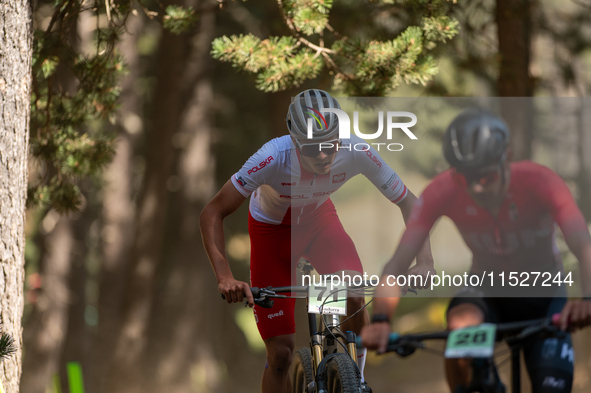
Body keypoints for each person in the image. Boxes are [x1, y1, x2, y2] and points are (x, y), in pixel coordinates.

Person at [200, 89, 434, 393]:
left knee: (352, 292)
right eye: (311, 149)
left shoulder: (356, 151)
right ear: (295, 142)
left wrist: (425, 261)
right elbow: (213, 212)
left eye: (329, 145)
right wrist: (225, 276)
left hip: (318, 221)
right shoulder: (272, 157)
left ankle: (355, 381)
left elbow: (410, 204)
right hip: (271, 233)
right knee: (281, 355)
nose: (322, 155)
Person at [361, 107, 591, 393]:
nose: (476, 189)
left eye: (485, 177)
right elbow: (397, 264)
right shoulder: (443, 190)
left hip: (544, 294)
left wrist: (587, 298)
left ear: (505, 158)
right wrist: (382, 320)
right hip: (486, 290)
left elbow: (584, 245)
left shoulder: (540, 182)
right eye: (466, 178)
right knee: (460, 325)